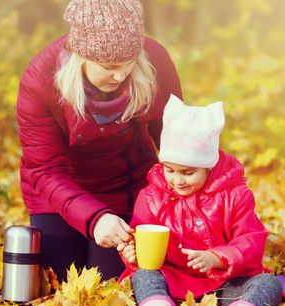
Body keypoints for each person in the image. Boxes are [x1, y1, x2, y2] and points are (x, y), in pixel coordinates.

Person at [15, 0, 182, 282]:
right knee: (67, 280)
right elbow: (45, 171)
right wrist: (94, 219)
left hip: (129, 188)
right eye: (110, 66)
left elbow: (174, 138)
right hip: (59, 192)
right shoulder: (40, 79)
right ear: (81, 55)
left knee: (111, 283)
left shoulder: (155, 59)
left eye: (129, 64)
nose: (121, 75)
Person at [116, 95, 285, 306]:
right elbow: (138, 235)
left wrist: (217, 258)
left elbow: (251, 239)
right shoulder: (152, 196)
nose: (177, 180)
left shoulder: (234, 195)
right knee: (143, 275)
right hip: (172, 281)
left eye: (188, 172)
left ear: (208, 166)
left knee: (269, 284)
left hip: (222, 285)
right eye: (170, 170)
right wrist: (131, 252)